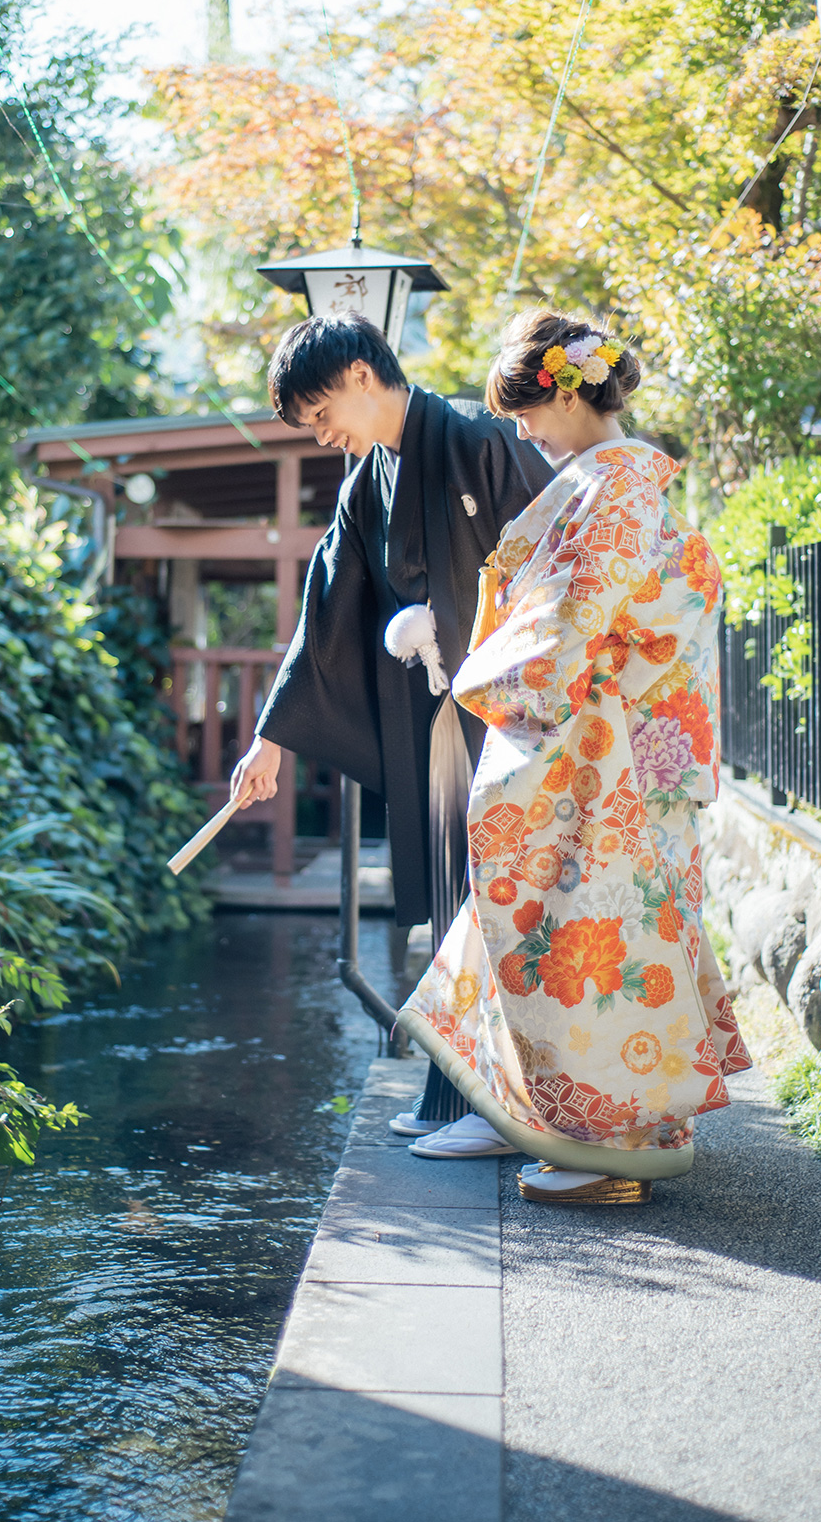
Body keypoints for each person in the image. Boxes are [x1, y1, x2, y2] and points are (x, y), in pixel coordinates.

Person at [397, 307, 750, 1202]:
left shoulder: (615, 483)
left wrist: (493, 679)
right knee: (623, 929)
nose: (520, 431)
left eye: (524, 412)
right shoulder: (618, 479)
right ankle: (592, 1133)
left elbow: (567, 617)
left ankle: (610, 1152)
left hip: (607, 753)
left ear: (560, 389)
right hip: (632, 743)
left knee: (596, 931)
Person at [230, 312, 551, 1135]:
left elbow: (558, 571)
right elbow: (327, 616)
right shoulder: (362, 484)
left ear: (363, 376)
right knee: (453, 899)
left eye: (321, 413)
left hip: (514, 716)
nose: (322, 434)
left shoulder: (484, 441)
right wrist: (270, 738)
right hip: (435, 723)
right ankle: (459, 1090)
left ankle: (519, 1098)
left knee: (511, 898)